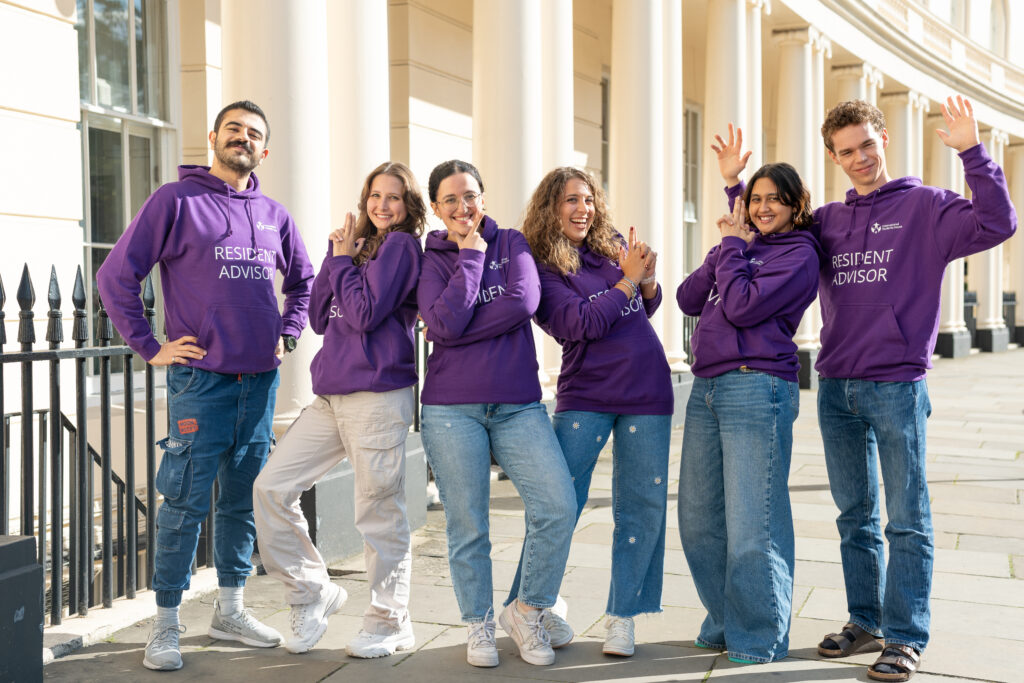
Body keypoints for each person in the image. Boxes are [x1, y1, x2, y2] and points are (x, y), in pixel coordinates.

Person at [717, 96, 1017, 681]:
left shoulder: (927, 207)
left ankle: (905, 637)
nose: (859, 158)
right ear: (833, 156)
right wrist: (735, 186)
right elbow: (764, 225)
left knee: (907, 517)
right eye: (846, 151)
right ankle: (866, 619)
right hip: (837, 385)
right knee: (854, 514)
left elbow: (998, 223)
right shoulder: (826, 220)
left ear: (883, 140)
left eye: (866, 146)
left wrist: (973, 153)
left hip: (897, 385)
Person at [96, 100, 314, 671]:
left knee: (241, 503)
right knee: (185, 504)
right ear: (212, 136)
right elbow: (115, 276)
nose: (243, 138)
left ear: (264, 151)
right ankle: (165, 624)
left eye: (255, 134)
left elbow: (305, 283)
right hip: (200, 383)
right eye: (234, 129)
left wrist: (288, 334)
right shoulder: (176, 201)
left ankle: (230, 610)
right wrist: (150, 346)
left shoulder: (274, 215)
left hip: (259, 386)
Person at [252, 162, 425, 658]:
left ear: (408, 205)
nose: (382, 205)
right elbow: (321, 318)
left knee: (377, 513)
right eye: (375, 195)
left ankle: (391, 620)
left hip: (375, 395)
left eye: (393, 197)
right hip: (330, 397)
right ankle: (312, 592)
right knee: (272, 488)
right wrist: (337, 255)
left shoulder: (402, 247)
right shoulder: (358, 249)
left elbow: (366, 314)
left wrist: (345, 264)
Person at [417, 159, 577, 668]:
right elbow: (439, 324)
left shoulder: (512, 242)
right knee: (468, 526)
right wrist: (469, 259)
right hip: (450, 410)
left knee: (557, 506)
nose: (463, 206)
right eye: (450, 200)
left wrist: (459, 323)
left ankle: (527, 609)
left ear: (483, 197)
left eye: (470, 195)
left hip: (516, 405)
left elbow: (524, 301)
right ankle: (478, 625)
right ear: (437, 209)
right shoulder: (433, 256)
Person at [512, 167, 673, 657]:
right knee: (558, 505)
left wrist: (645, 282)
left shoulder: (607, 253)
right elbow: (578, 323)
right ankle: (529, 607)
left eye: (587, 199)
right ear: (550, 209)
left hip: (649, 389)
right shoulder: (541, 267)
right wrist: (627, 281)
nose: (582, 208)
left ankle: (622, 619)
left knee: (641, 509)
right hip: (587, 394)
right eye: (569, 200)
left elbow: (639, 312)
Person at [677, 159, 820, 664]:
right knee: (697, 519)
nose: (762, 208)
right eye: (755, 198)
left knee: (752, 522)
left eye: (773, 199)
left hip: (757, 388)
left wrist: (734, 249)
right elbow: (687, 298)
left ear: (794, 205)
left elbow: (739, 306)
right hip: (708, 388)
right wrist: (725, 247)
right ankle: (725, 616)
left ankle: (760, 633)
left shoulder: (800, 255)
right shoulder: (739, 246)